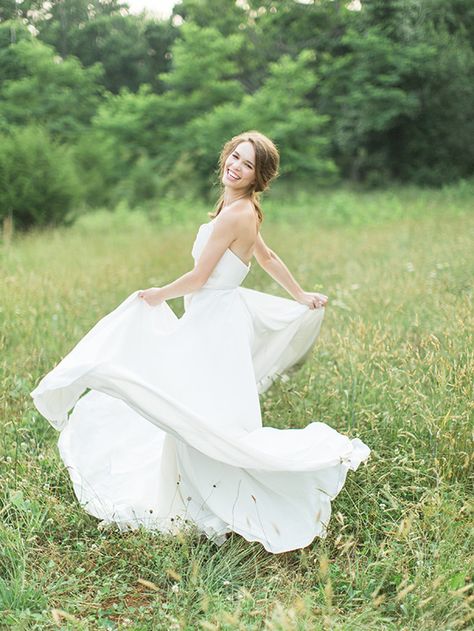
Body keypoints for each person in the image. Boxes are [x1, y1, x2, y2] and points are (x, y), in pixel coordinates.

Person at [30, 130, 370, 554]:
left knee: (194, 406)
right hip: (215, 317)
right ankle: (190, 490)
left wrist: (156, 294)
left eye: (246, 163)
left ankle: (205, 496)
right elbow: (266, 257)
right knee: (199, 405)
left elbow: (199, 279)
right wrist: (299, 294)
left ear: (257, 176)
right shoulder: (242, 209)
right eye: (234, 155)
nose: (235, 165)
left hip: (211, 322)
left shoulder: (236, 214)